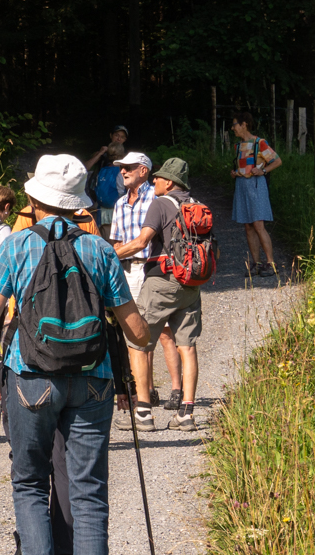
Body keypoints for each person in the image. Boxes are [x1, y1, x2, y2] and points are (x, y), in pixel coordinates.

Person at [0, 154, 151, 555]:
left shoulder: (16, 246)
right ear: (79, 204)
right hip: (93, 378)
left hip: (30, 375)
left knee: (30, 482)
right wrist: (148, 342)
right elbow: (137, 330)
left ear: (34, 201)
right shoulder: (101, 250)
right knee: (88, 491)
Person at [128, 156, 203, 431]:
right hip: (191, 284)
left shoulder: (160, 204)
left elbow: (141, 241)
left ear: (169, 182)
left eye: (158, 177)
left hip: (161, 281)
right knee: (187, 346)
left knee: (138, 341)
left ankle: (144, 413)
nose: (155, 180)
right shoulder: (196, 206)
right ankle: (187, 413)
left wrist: (110, 253)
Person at [107, 151, 158, 429]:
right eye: (121, 168)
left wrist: (108, 255)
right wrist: (112, 256)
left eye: (127, 167)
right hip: (124, 269)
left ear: (143, 170)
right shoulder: (118, 204)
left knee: (139, 335)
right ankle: (143, 394)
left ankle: (144, 404)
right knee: (128, 333)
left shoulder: (156, 199)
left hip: (146, 268)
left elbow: (140, 243)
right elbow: (115, 241)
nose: (122, 172)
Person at [230, 112, 282, 276]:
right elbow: (243, 166)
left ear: (244, 124)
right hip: (242, 186)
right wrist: (235, 172)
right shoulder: (238, 146)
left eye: (234, 125)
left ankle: (271, 264)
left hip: (256, 186)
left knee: (258, 225)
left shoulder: (260, 143)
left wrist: (263, 170)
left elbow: (277, 161)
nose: (233, 128)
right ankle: (256, 263)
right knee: (248, 226)